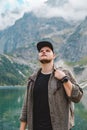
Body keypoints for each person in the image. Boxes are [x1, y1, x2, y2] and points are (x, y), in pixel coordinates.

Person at [20, 41, 83, 130]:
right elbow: (25, 108)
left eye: (48, 50)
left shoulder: (65, 74)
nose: (44, 52)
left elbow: (77, 97)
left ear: (54, 56)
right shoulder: (32, 79)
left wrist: (64, 79)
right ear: (38, 56)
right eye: (41, 51)